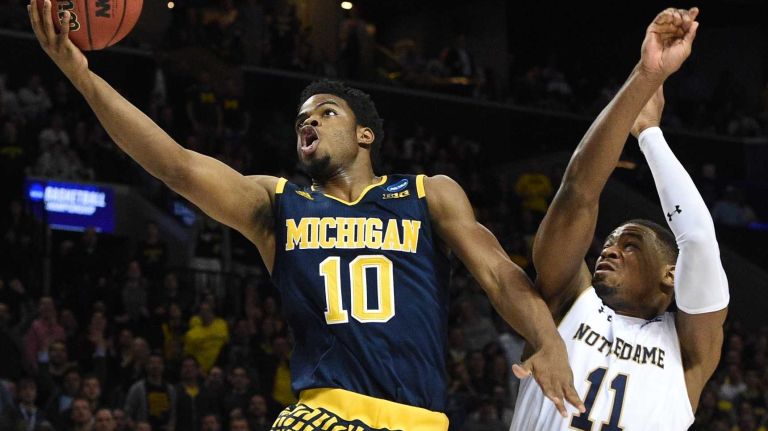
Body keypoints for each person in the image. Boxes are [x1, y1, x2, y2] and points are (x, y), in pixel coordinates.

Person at [28, 2, 582, 428]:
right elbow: (176, 166)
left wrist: (548, 341)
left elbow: (498, 275)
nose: (307, 123)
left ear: (365, 135)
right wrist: (82, 76)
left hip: (420, 418)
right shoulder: (279, 204)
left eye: (325, 112)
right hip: (326, 413)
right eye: (300, 119)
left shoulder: (427, 193)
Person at [510, 8, 730, 431]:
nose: (610, 248)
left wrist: (649, 134)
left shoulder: (688, 353)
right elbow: (578, 192)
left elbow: (699, 239)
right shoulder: (568, 302)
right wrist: (644, 77)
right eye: (611, 241)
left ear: (672, 276)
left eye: (630, 245)